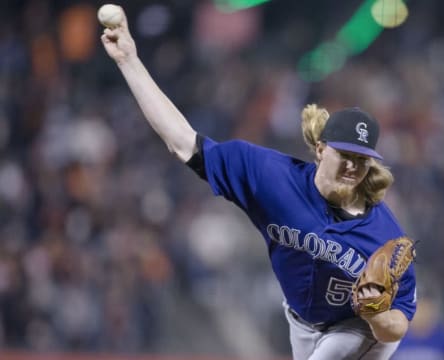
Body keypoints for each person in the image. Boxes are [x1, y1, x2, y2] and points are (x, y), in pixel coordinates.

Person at [100, 7, 416, 360]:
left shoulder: (383, 236)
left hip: (357, 328)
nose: (353, 167)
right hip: (301, 321)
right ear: (321, 149)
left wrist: (378, 314)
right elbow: (183, 142)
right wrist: (129, 61)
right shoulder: (270, 177)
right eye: (345, 155)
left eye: (362, 160)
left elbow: (399, 324)